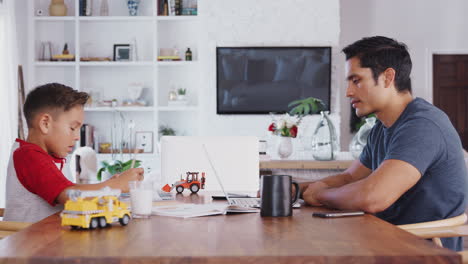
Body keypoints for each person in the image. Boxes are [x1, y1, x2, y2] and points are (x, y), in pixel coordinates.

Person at [300, 36, 466, 250]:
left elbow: (373, 197)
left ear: (388, 77)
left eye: (356, 80)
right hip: (384, 241)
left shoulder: (423, 125)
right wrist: (297, 188)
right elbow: (350, 177)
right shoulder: (382, 127)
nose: (349, 92)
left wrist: (320, 195)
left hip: (420, 252)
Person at [4, 83, 144, 223]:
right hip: (29, 242)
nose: (77, 137)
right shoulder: (28, 156)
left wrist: (108, 185)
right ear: (45, 123)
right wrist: (117, 185)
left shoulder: (50, 156)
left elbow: (72, 190)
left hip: (50, 239)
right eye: (72, 128)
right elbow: (70, 195)